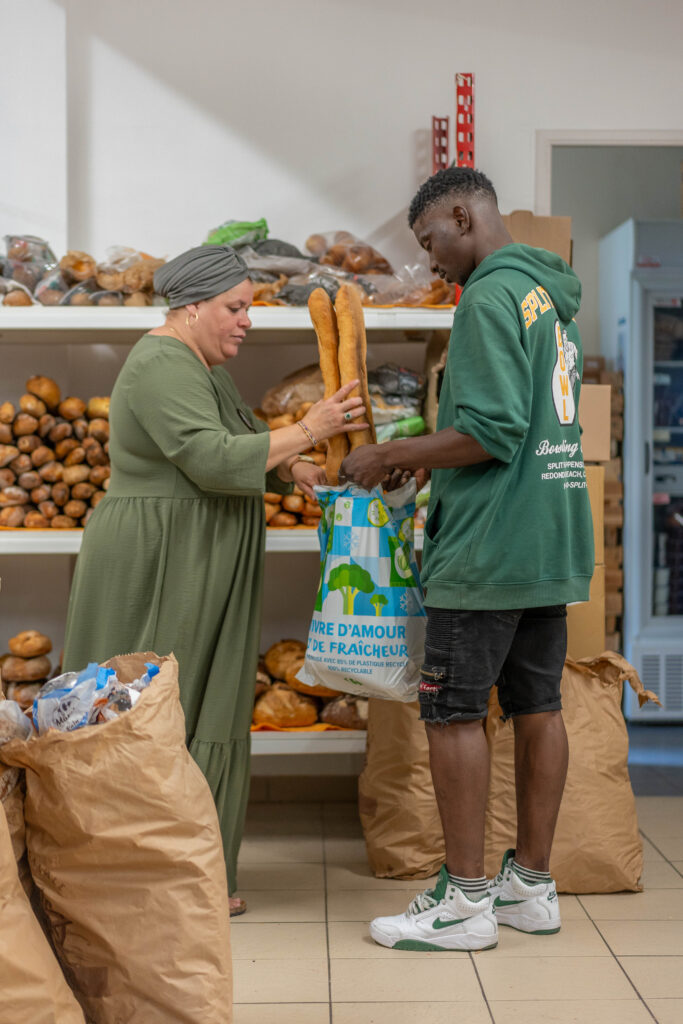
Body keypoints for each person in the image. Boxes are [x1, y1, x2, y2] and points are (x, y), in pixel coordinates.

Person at [62, 244, 367, 915]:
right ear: (192, 307)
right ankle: (140, 879)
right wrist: (310, 428)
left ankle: (197, 876)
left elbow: (236, 435)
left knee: (206, 705)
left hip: (199, 550)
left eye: (248, 307)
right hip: (160, 557)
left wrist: (292, 467)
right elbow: (206, 457)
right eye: (234, 308)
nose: (245, 321)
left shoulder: (201, 363)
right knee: (153, 709)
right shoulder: (160, 363)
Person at [340, 167, 594, 951]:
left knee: (452, 713)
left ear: (461, 213)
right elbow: (519, 423)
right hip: (547, 533)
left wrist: (391, 452)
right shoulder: (545, 294)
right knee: (537, 706)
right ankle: (530, 888)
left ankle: (465, 903)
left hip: (486, 546)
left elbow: (490, 431)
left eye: (430, 243)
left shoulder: (485, 297)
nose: (432, 261)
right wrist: (431, 456)